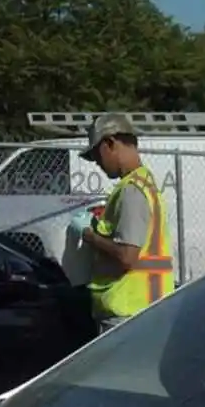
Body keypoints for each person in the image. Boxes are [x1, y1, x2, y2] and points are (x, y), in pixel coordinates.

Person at [78, 112, 176, 334]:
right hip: (146, 309)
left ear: (110, 143)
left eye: (97, 155)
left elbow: (127, 256)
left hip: (128, 314)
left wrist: (91, 236)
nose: (97, 165)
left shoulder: (131, 191)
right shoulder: (144, 184)